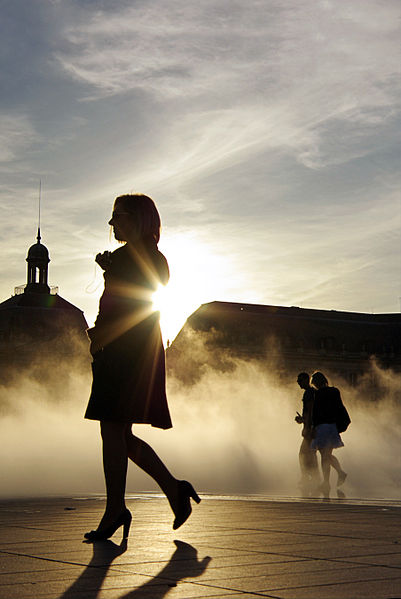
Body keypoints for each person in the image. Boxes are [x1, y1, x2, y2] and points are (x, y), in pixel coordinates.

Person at [84, 194, 200, 541]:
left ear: (138, 220)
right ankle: (173, 489)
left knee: (112, 429)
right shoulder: (150, 258)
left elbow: (127, 303)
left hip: (124, 351)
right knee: (121, 433)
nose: (111, 223)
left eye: (117, 216)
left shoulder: (136, 259)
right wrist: (114, 267)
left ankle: (116, 508)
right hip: (135, 349)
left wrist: (100, 335)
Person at [310, 371, 347, 497]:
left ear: (315, 383)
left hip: (322, 427)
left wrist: (313, 427)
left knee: (324, 456)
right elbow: (340, 407)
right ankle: (339, 473)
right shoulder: (335, 391)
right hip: (332, 427)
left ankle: (327, 482)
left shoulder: (318, 394)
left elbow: (315, 412)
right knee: (327, 455)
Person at [295, 372, 319, 494]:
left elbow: (310, 411)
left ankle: (308, 479)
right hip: (312, 427)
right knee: (310, 454)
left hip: (310, 429)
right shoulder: (312, 392)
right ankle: (314, 479)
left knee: (303, 454)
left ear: (306, 380)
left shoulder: (309, 393)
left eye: (300, 380)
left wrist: (306, 425)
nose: (298, 383)